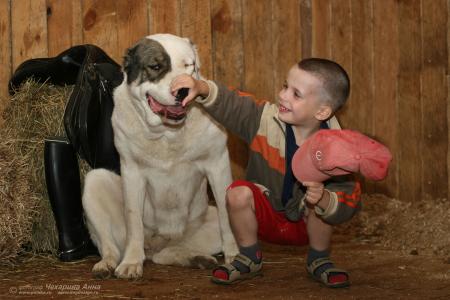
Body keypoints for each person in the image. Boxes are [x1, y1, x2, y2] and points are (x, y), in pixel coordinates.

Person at [170, 58, 361, 288]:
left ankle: (318, 259)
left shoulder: (337, 150)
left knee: (321, 201)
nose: (283, 96)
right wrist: (201, 87)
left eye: (296, 94)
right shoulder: (265, 120)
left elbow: (350, 200)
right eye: (284, 86)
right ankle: (249, 257)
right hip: (266, 218)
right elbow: (233, 104)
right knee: (237, 193)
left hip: (306, 222)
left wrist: (325, 199)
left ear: (322, 111)